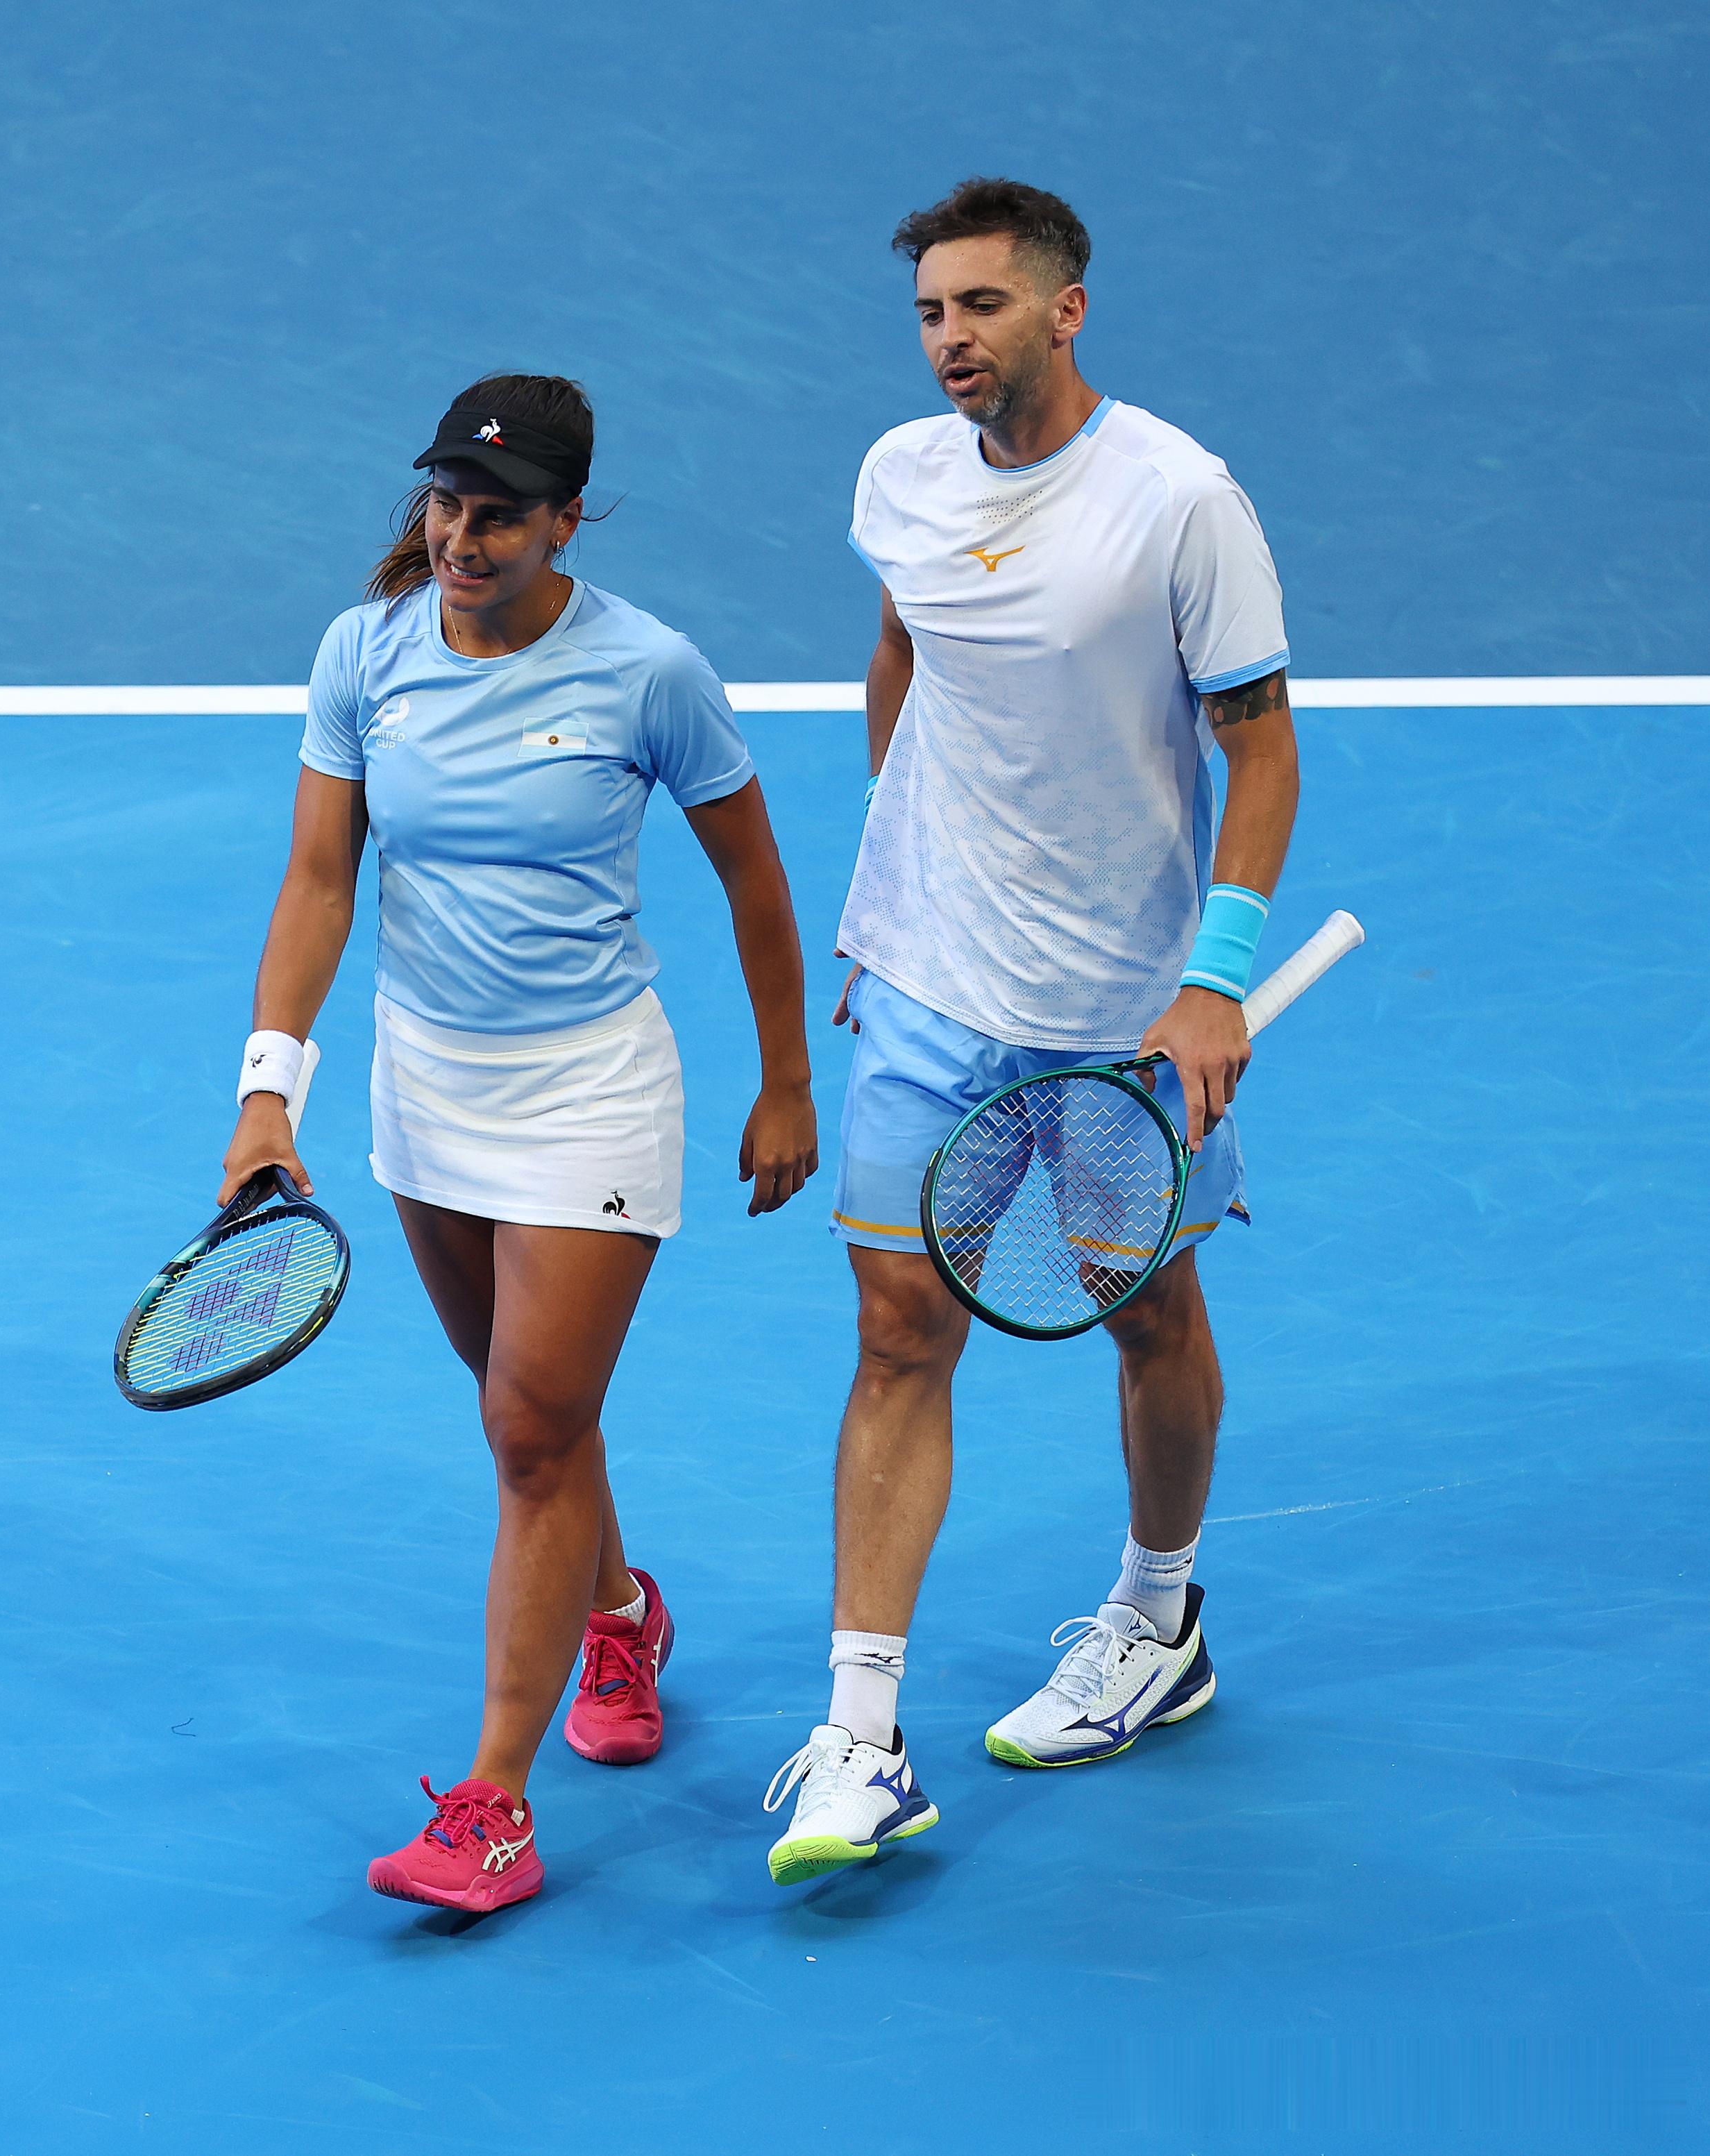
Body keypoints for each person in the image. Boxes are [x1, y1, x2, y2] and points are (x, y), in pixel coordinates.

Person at [763, 179, 1302, 1884]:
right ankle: (859, 1733)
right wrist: (888, 881)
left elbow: (1260, 743)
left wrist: (1212, 976)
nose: (949, 338)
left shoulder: (1178, 499)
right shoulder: (898, 476)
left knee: (1144, 1311)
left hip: (1115, 1009)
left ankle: (1156, 1617)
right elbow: (900, 652)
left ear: (1063, 310)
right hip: (928, 983)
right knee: (896, 1326)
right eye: (929, 310)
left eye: (980, 305)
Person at [228, 373, 820, 1914]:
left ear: (568, 523)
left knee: (531, 1432)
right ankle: (617, 1612)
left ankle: (492, 1804)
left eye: (498, 516)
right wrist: (267, 1088)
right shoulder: (365, 653)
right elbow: (317, 882)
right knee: (525, 1413)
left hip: (588, 1095)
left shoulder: (648, 671)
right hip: (424, 1088)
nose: (461, 539)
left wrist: (785, 1082)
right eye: (446, 505)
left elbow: (755, 881)